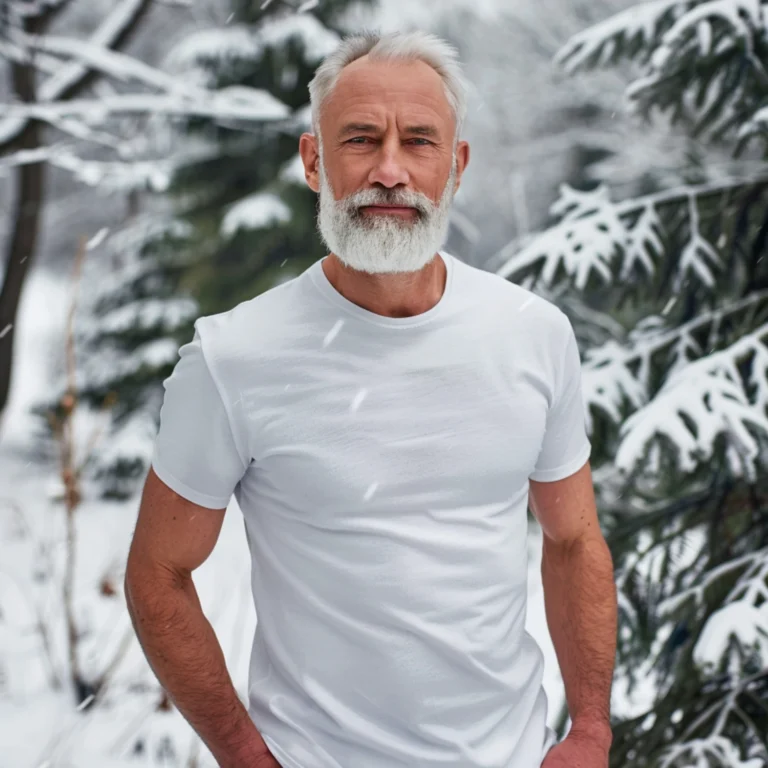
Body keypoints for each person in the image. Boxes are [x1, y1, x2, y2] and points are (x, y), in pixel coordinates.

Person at [125, 30, 617, 768]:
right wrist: (245, 756)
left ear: (456, 166)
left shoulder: (533, 335)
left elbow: (574, 539)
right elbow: (157, 574)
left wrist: (589, 730)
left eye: (418, 141)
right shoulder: (235, 356)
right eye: (361, 139)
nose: (390, 171)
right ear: (314, 161)